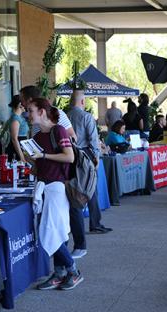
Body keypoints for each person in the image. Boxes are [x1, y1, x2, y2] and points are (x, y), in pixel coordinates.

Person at [27, 98, 83, 291]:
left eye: (31, 110)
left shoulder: (57, 130)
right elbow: (39, 166)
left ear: (42, 111)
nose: (28, 114)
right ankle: (60, 273)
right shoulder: (37, 136)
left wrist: (43, 156)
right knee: (56, 232)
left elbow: (69, 156)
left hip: (57, 187)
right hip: (43, 186)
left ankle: (72, 270)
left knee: (49, 233)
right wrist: (33, 163)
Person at [68, 90, 112, 249]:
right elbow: (93, 140)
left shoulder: (64, 116)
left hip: (68, 155)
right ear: (82, 102)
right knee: (91, 189)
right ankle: (95, 223)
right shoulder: (86, 117)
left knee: (72, 189)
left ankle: (72, 225)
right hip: (85, 155)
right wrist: (97, 157)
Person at [6, 95, 28, 162]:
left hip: (21, 146)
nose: (26, 105)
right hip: (16, 149)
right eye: (24, 103)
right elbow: (14, 139)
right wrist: (22, 157)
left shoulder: (20, 117)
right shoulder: (15, 118)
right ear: (20, 105)